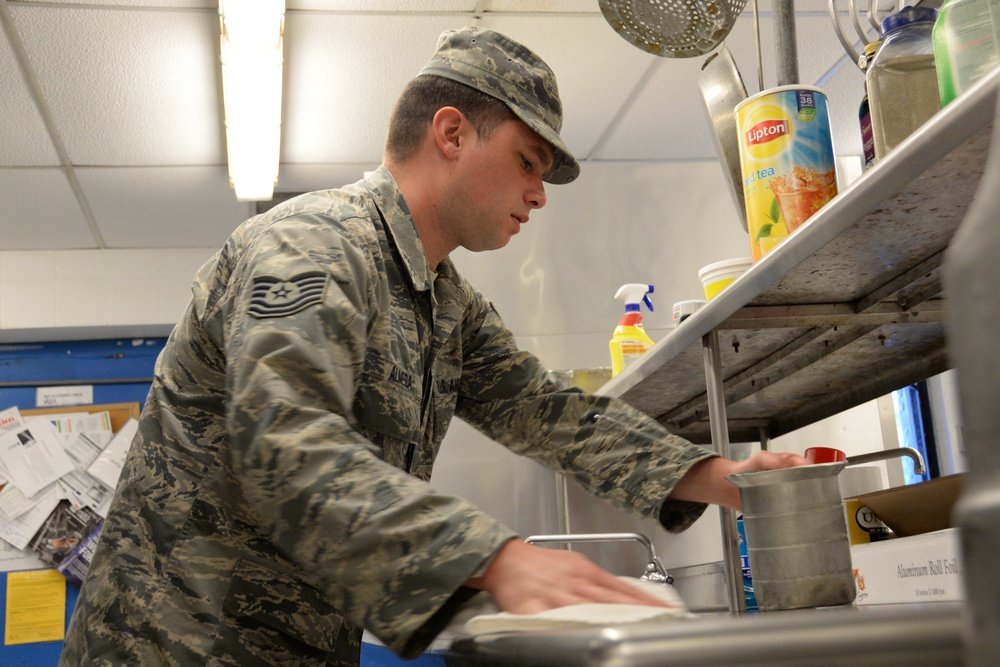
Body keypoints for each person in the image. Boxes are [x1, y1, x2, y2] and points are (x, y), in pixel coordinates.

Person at [60, 26, 805, 666]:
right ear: (450, 133)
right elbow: (288, 445)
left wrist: (714, 473)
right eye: (527, 162)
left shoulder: (446, 302)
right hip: (168, 644)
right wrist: (495, 556)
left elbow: (544, 409)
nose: (541, 194)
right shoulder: (312, 246)